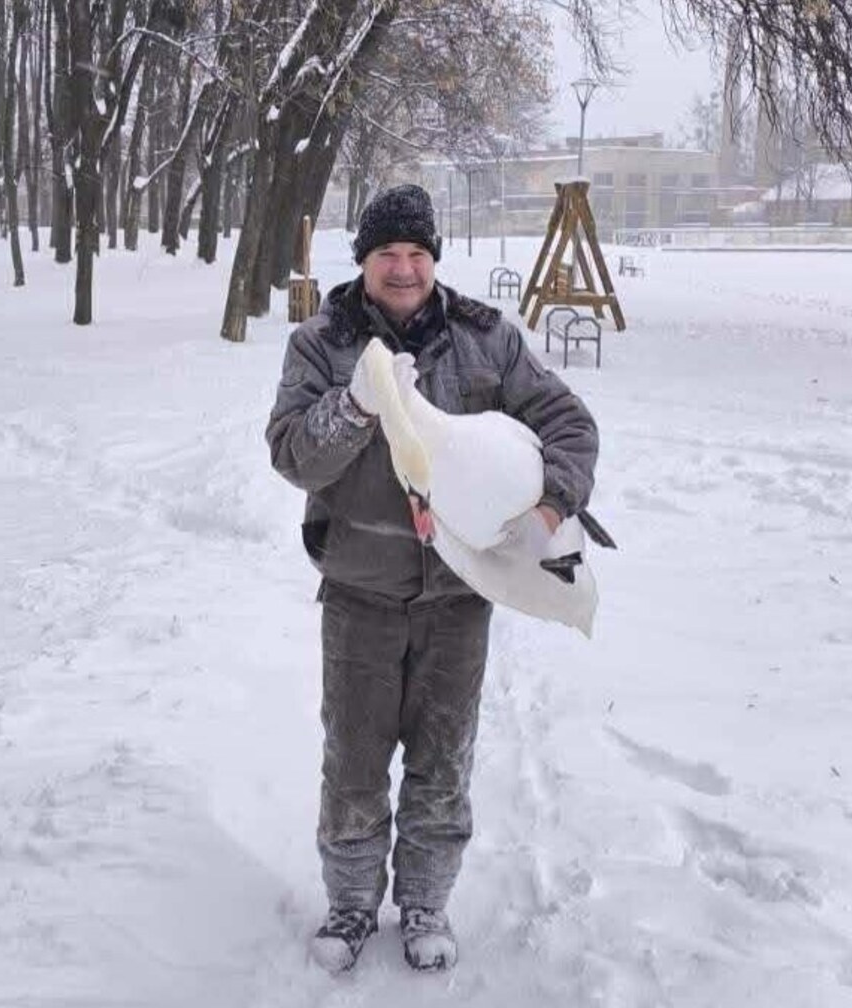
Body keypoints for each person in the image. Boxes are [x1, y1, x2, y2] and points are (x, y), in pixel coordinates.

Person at [265, 184, 600, 973]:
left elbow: (569, 424)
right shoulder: (322, 343)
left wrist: (549, 507)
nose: (404, 268)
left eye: (417, 253)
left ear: (434, 259)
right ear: (364, 260)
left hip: (458, 599)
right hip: (360, 594)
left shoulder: (487, 339)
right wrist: (354, 405)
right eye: (387, 253)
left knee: (443, 763)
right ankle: (351, 903)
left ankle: (425, 901)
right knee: (353, 764)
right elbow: (291, 454)